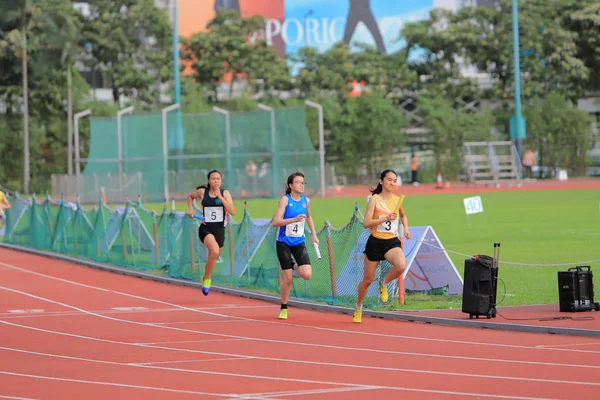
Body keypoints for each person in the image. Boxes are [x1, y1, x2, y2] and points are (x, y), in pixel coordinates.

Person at [353, 169, 412, 324]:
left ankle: (384, 284)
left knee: (401, 265)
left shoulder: (397, 200)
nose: (392, 183)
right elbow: (366, 223)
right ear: (381, 181)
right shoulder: (374, 200)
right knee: (367, 280)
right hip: (375, 242)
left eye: (394, 180)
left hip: (391, 242)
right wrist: (385, 218)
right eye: (389, 180)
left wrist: (405, 229)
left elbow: (403, 215)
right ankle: (358, 308)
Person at [272, 172, 319, 320]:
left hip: (299, 241)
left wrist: (314, 234)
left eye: (303, 182)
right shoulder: (285, 200)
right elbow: (275, 222)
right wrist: (292, 220)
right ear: (290, 185)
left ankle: (292, 265)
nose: (301, 185)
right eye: (298, 182)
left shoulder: (306, 201)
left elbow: (309, 216)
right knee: (289, 280)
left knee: (306, 274)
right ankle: (284, 307)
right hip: (284, 242)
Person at [187, 170, 236, 296]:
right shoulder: (203, 192)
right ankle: (208, 279)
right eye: (213, 179)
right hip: (205, 228)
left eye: (218, 179)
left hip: (219, 230)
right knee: (214, 251)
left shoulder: (225, 193)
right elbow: (190, 197)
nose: (216, 181)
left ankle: (206, 276)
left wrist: (220, 197)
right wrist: (191, 209)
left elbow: (233, 211)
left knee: (214, 255)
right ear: (209, 180)